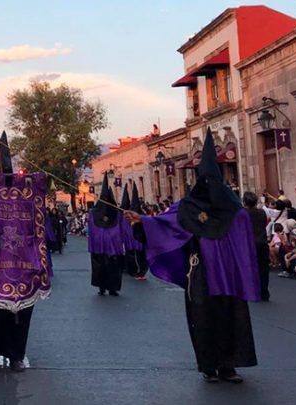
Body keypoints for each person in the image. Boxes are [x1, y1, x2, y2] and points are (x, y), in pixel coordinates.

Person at [125, 128, 259, 383]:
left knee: (231, 317)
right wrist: (142, 222)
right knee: (204, 318)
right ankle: (209, 366)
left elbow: (244, 239)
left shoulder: (235, 211)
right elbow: (165, 225)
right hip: (200, 273)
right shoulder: (187, 207)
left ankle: (229, 366)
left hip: (229, 275)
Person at [0, 131, 52, 372]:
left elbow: (38, 229)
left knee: (19, 317)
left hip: (20, 266)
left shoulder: (26, 198)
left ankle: (16, 355)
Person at [88, 173, 125, 296]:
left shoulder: (93, 214)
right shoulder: (116, 214)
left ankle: (103, 287)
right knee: (111, 267)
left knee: (101, 267)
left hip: (100, 247)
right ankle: (111, 288)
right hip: (112, 247)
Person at [244, 192, 270, 301]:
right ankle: (264, 292)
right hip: (262, 242)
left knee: (251, 267)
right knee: (263, 268)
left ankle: (253, 291)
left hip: (250, 243)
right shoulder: (261, 213)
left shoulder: (243, 213)